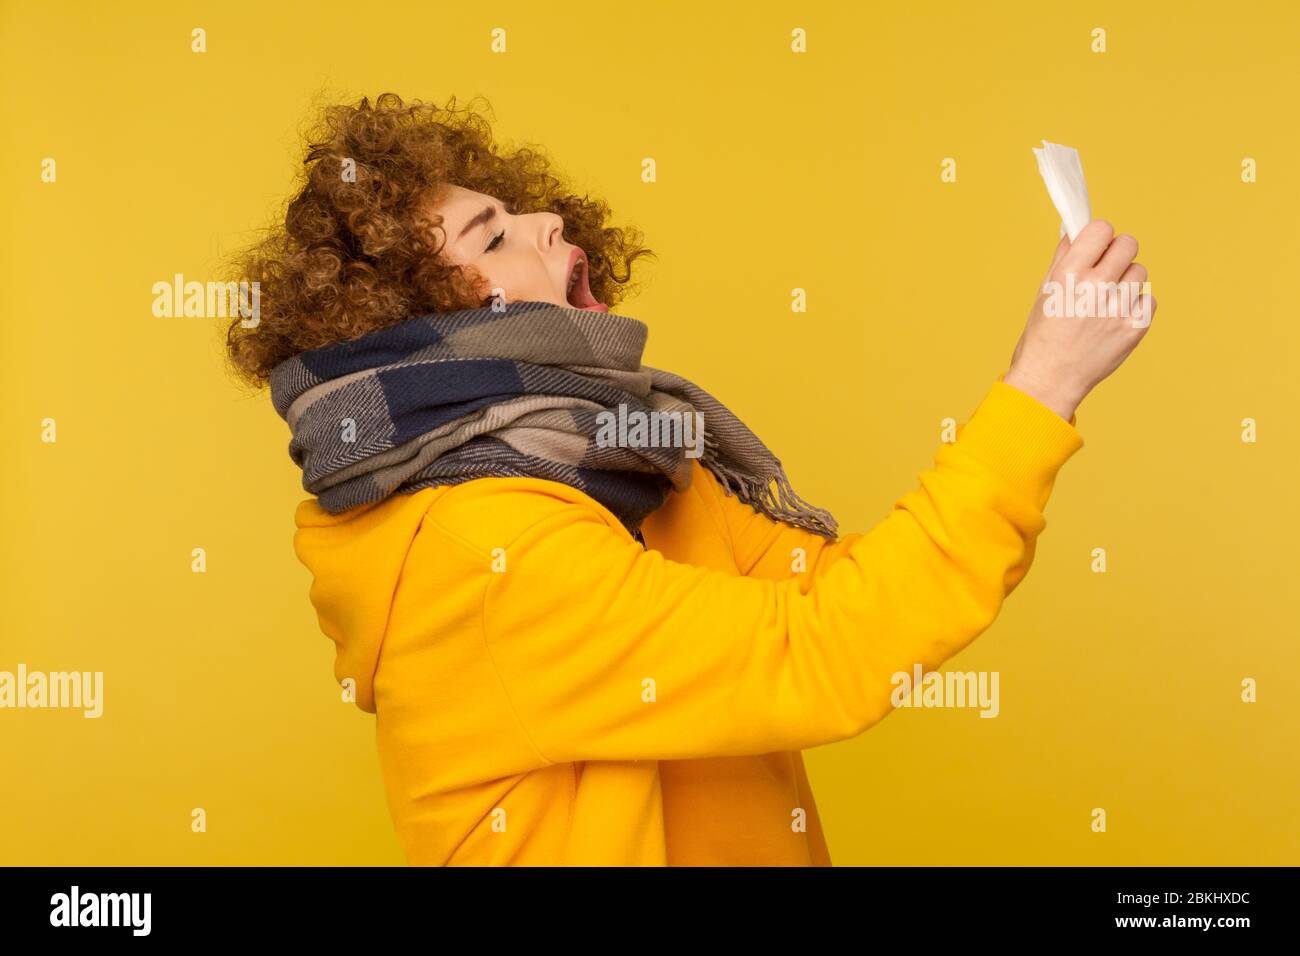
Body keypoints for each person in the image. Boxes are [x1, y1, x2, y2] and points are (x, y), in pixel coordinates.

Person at [226, 93, 1155, 865]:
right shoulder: (485, 552)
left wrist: (1046, 401)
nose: (548, 220)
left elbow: (852, 599)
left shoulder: (633, 471)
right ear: (437, 328)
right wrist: (1042, 383)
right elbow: (827, 653)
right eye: (494, 234)